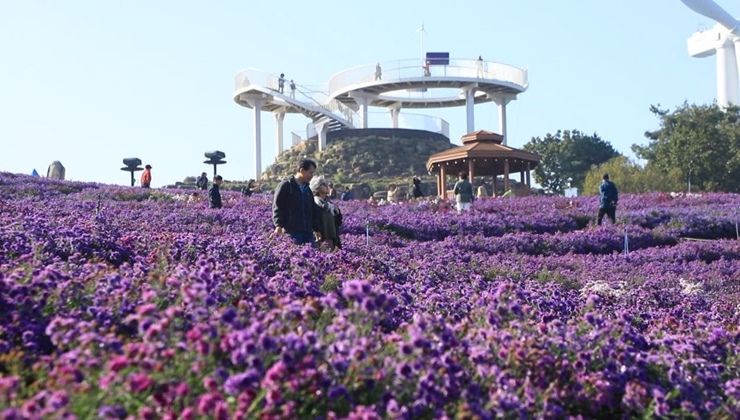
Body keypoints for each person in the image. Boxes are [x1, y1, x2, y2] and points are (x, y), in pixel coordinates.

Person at [272, 158, 322, 246]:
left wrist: (317, 229)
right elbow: (278, 207)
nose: (312, 176)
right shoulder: (286, 186)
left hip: (308, 232)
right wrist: (278, 225)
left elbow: (312, 210)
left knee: (313, 256)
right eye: (310, 172)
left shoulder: (308, 190)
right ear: (302, 170)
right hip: (292, 232)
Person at [310, 176, 342, 250]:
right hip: (320, 240)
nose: (327, 186)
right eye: (323, 184)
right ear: (317, 188)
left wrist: (337, 212)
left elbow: (338, 223)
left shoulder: (330, 205)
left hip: (332, 240)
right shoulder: (314, 203)